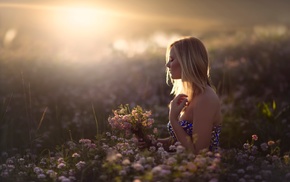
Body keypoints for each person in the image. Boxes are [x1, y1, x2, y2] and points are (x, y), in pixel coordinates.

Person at [140, 36, 222, 154]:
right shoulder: (189, 94)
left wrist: (173, 119)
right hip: (184, 165)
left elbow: (199, 152)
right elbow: (180, 141)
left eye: (172, 59)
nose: (168, 65)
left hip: (203, 170)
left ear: (187, 61)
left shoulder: (206, 98)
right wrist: (151, 143)